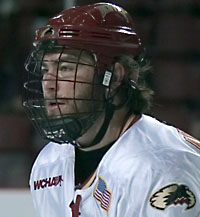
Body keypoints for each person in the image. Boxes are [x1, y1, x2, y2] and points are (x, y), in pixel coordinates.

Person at [23, 2, 200, 217]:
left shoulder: (161, 169)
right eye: (45, 69)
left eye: (66, 68)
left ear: (114, 77)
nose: (49, 84)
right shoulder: (49, 164)